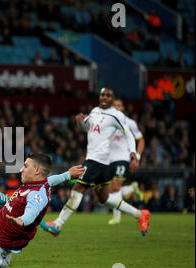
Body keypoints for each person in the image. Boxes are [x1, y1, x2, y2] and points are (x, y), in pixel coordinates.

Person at [40, 87, 150, 237]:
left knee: (78, 189)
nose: (104, 97)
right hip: (102, 161)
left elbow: (128, 134)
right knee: (103, 198)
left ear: (112, 99)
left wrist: (133, 154)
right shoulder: (94, 111)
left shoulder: (116, 115)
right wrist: (80, 122)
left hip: (97, 160)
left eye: (108, 95)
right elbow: (88, 129)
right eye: (102, 95)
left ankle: (58, 224)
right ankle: (140, 214)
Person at [107, 98, 145, 224]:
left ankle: (117, 216)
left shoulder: (130, 123)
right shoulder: (107, 121)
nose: (117, 107)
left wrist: (137, 157)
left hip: (122, 158)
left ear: (123, 108)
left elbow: (141, 140)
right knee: (109, 190)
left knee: (116, 185)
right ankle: (131, 188)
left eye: (119, 105)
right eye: (115, 105)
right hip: (109, 159)